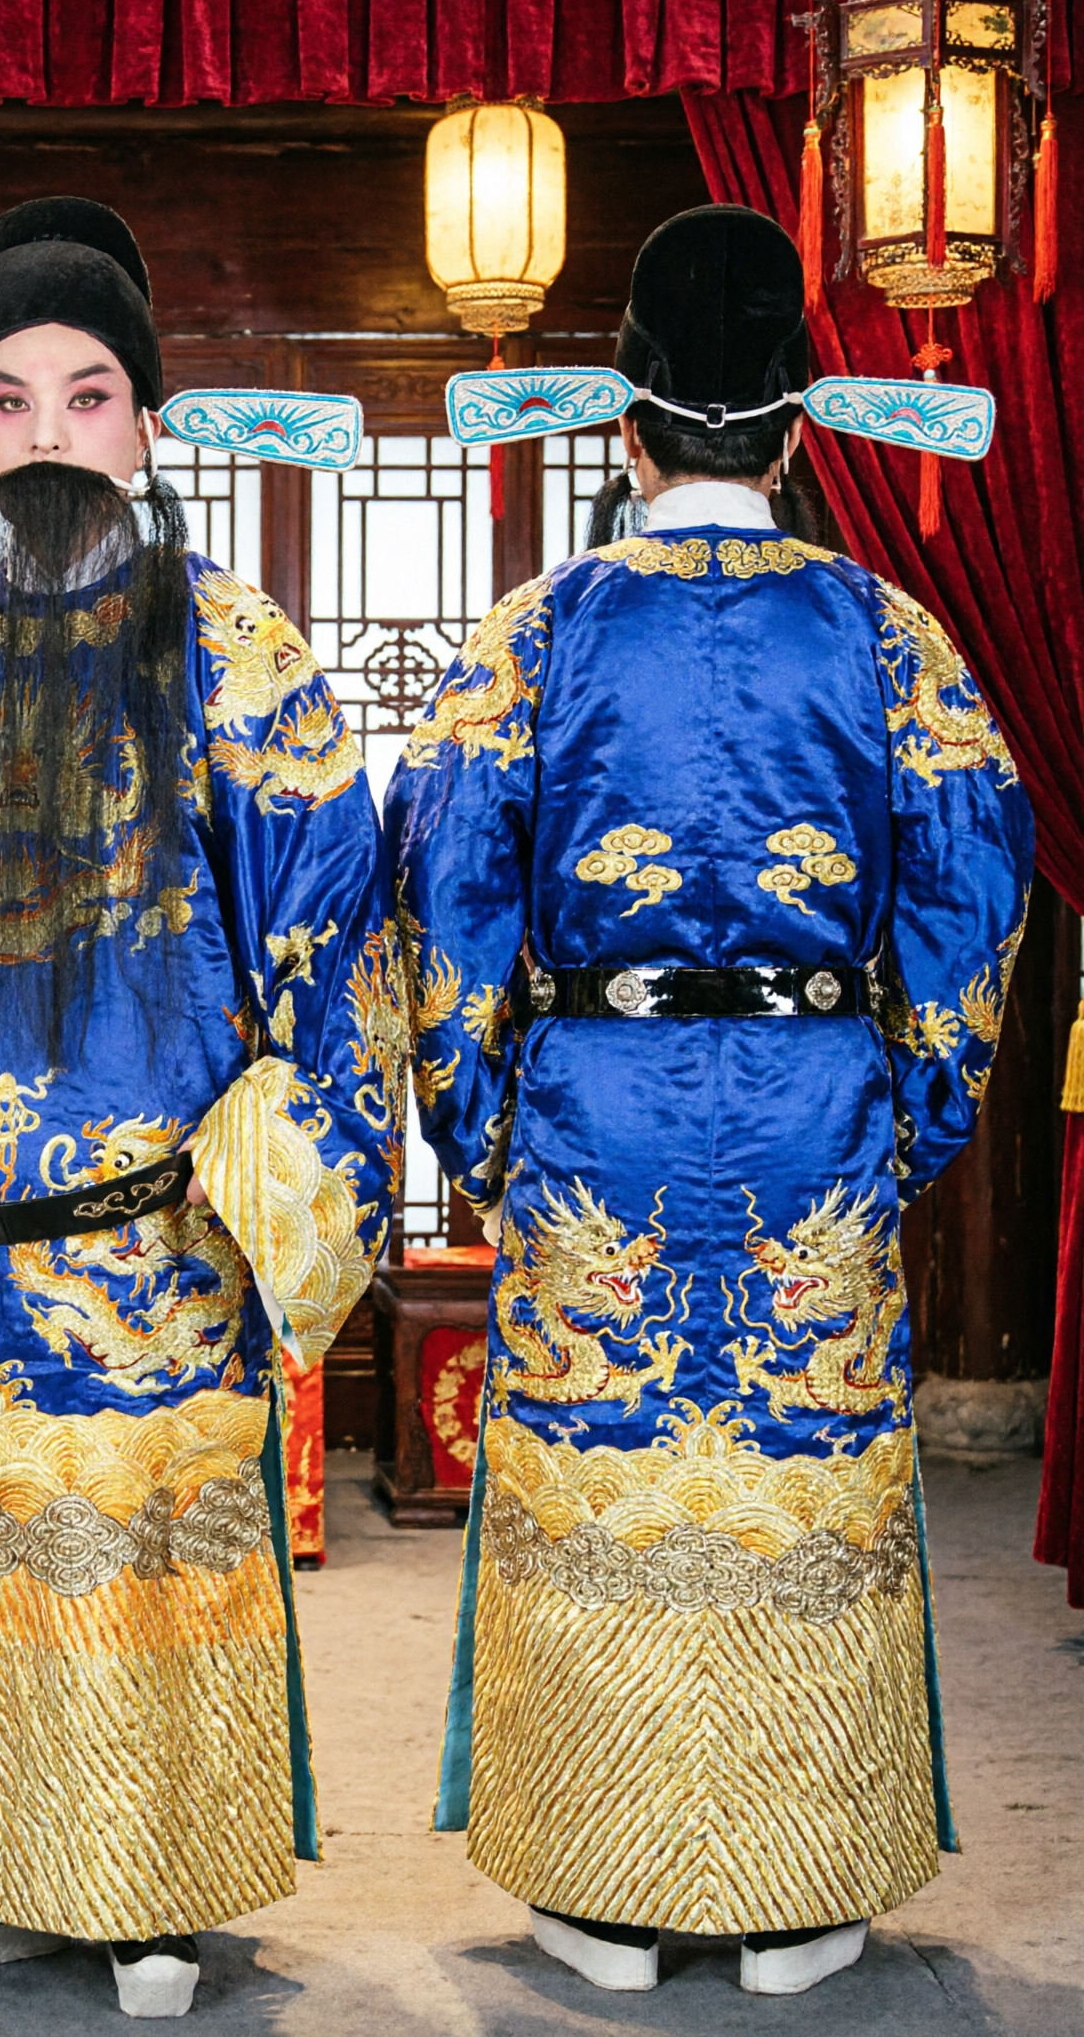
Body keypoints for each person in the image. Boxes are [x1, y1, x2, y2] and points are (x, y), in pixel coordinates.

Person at [389, 206, 1033, 1997]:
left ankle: (599, 1894)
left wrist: (483, 1120)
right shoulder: (888, 631)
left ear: (626, 424)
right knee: (798, 1470)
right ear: (800, 432)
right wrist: (910, 1105)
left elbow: (442, 890)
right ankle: (805, 1897)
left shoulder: (537, 632)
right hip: (819, 1098)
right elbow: (978, 880)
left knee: (613, 1471)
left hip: (599, 1100)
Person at [0, 198, 403, 2018]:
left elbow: (338, 952)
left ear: (149, 426)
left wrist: (288, 1196)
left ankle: (149, 1891)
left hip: (155, 1242)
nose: (49, 433)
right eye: (8, 401)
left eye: (89, 397)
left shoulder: (243, 654)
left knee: (140, 1573)